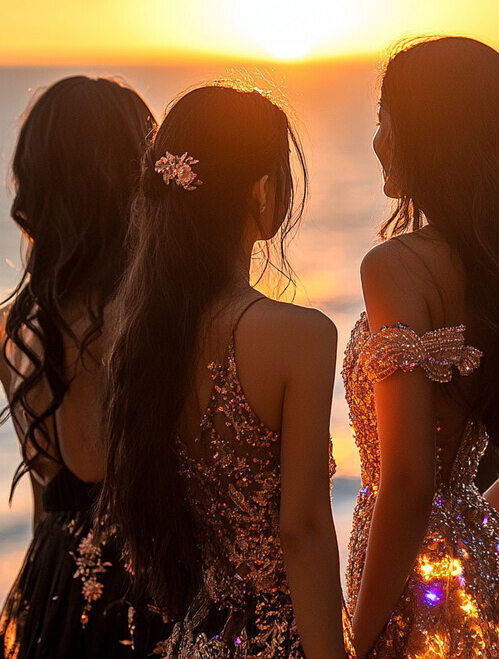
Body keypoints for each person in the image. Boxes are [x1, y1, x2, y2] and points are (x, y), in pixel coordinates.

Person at [343, 36, 499, 659]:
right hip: (494, 595)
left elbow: (406, 482)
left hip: (410, 608)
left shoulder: (395, 267)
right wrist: (463, 545)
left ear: (426, 131)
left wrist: (358, 637)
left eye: (383, 120)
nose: (377, 140)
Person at [99, 83, 352, 659]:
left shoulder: (141, 336)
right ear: (262, 193)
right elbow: (303, 529)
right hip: (278, 640)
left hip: (197, 638)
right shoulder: (301, 335)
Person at [0, 76, 170, 657]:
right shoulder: (154, 321)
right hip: (145, 592)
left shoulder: (13, 326)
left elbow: (48, 495)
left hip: (53, 583)